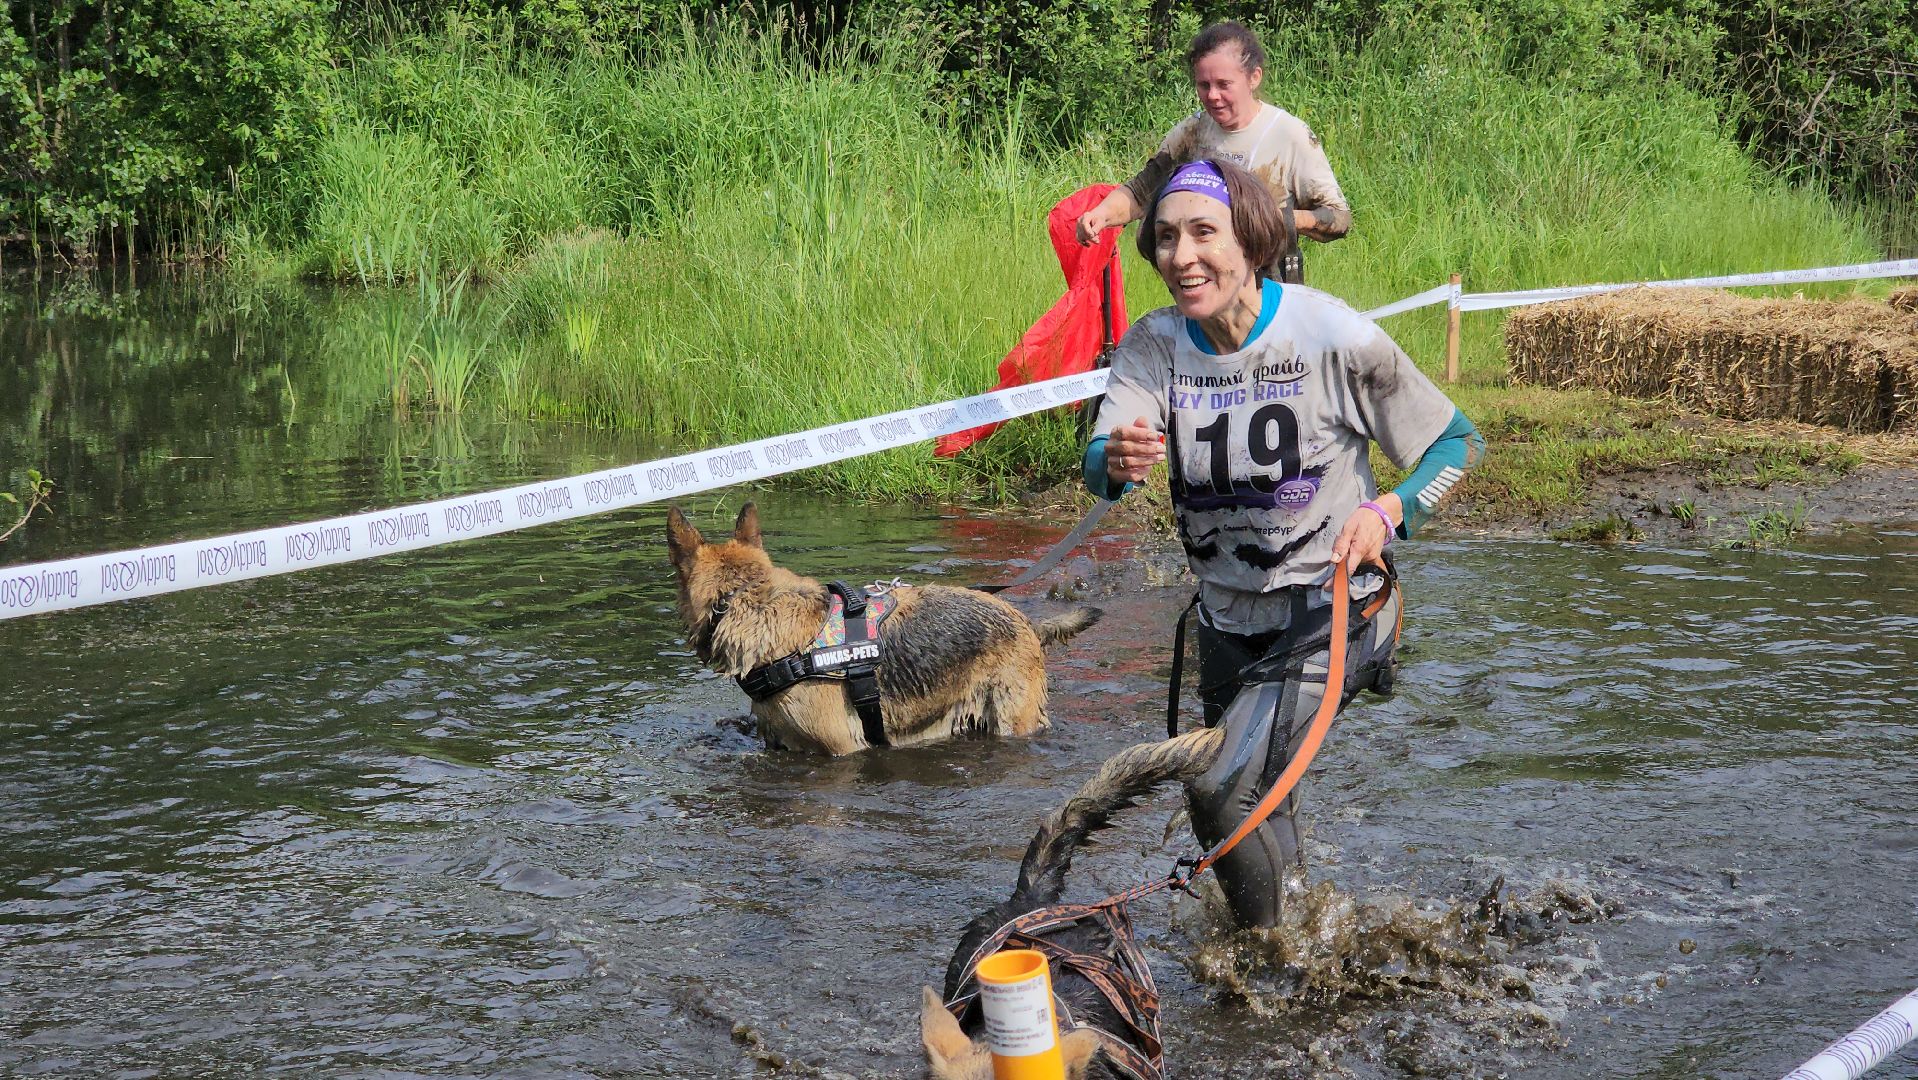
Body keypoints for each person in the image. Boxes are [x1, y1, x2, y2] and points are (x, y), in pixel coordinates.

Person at [1083, 158, 1483, 928]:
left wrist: (1390, 512)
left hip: (1336, 611)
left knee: (1218, 790)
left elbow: (1458, 446)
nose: (1183, 255)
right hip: (1227, 622)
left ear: (1254, 241)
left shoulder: (1328, 333)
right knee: (1260, 797)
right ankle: (1307, 940)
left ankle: (1267, 958)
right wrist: (1116, 459)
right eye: (1166, 238)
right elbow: (1102, 467)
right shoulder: (1155, 345)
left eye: (1205, 233)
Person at [1075, 21, 1349, 284]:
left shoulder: (1289, 135)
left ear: (1254, 77)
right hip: (1202, 285)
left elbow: (1338, 218)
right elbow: (1140, 192)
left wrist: (1274, 218)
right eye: (1203, 85)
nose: (1213, 96)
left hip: (1269, 288)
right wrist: (1100, 216)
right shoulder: (1192, 131)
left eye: (1223, 84)